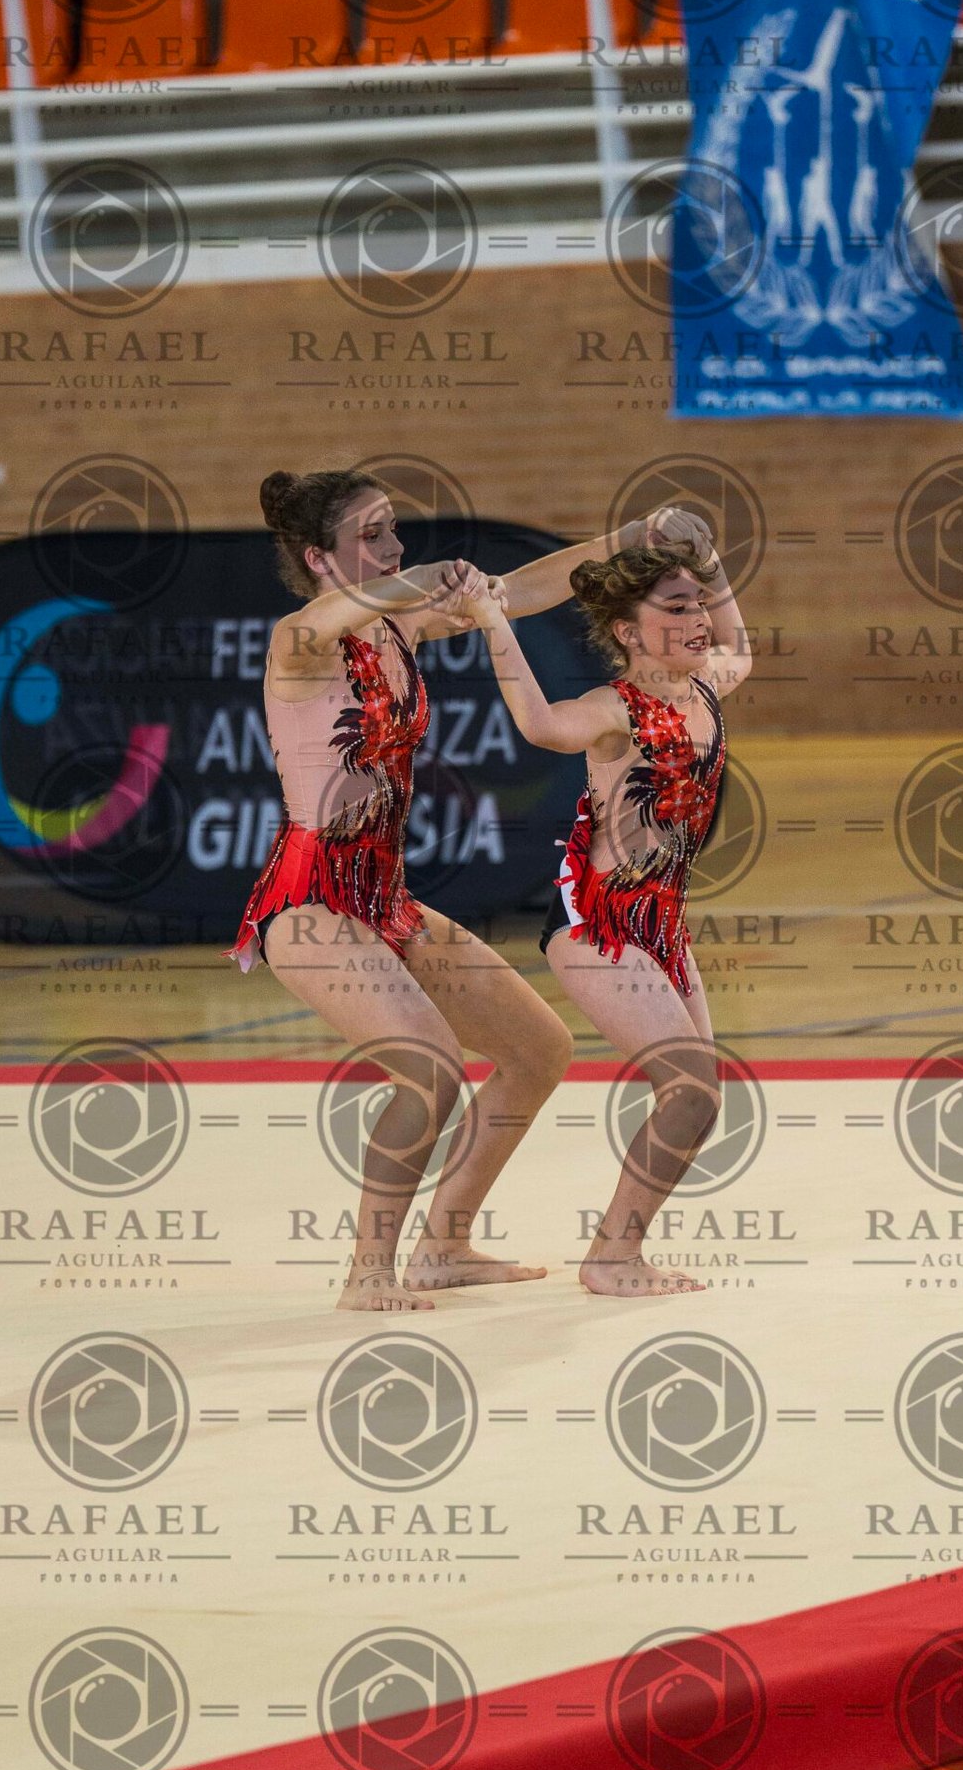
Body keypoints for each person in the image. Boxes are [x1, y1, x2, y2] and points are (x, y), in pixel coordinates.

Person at [227, 466, 708, 1310]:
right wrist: (422, 578)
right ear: (318, 558)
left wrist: (629, 539)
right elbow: (331, 613)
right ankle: (367, 1273)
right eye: (371, 534)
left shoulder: (399, 626)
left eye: (393, 527)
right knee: (430, 1068)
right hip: (309, 900)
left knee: (537, 1051)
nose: (393, 544)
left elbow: (522, 590)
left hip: (383, 895)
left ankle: (443, 1246)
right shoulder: (300, 643)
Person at [463, 530, 752, 1298]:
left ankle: (468, 1246)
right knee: (691, 1089)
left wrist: (712, 562)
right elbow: (540, 725)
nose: (699, 621)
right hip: (598, 924)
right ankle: (612, 1258)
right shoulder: (613, 709)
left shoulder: (707, 686)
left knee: (698, 1101)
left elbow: (741, 647)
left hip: (662, 924)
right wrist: (493, 620)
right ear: (628, 630)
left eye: (700, 605)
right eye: (676, 609)